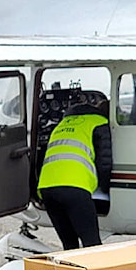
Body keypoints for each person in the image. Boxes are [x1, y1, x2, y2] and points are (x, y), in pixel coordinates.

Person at [37, 97, 113, 250]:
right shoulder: (98, 122)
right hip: (74, 188)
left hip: (47, 189)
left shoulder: (62, 124)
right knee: (92, 244)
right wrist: (106, 188)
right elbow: (104, 161)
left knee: (70, 245)